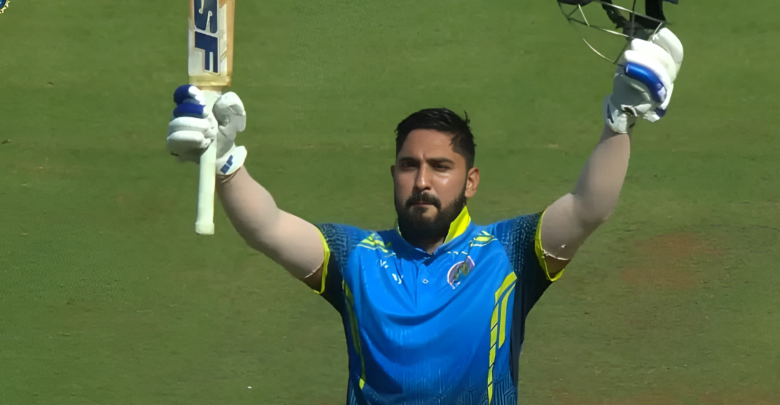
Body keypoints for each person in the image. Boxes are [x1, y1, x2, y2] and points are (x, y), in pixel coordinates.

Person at [166, 28, 683, 405]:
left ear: (470, 180)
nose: (422, 182)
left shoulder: (508, 252)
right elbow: (269, 228)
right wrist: (227, 163)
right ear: (394, 174)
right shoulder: (355, 258)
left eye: (441, 167)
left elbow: (590, 207)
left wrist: (620, 121)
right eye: (410, 167)